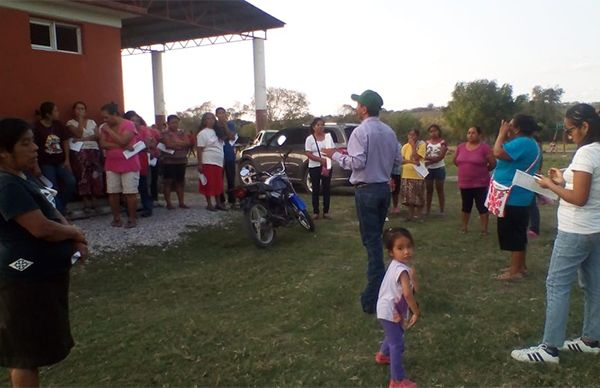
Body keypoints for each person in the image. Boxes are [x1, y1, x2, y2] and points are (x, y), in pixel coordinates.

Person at [0, 118, 88, 388]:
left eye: (33, 141)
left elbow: (52, 211)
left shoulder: (24, 178)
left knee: (33, 350)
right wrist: (75, 234)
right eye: (25, 143)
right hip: (22, 280)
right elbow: (40, 227)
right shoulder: (6, 184)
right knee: (26, 355)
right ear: (3, 152)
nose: (35, 148)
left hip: (41, 280)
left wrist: (73, 235)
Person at [511, 103, 600, 364]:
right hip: (595, 228)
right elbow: (588, 188)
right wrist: (563, 181)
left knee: (557, 284)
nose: (569, 135)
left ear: (585, 126)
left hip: (576, 230)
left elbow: (580, 198)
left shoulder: (585, 154)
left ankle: (549, 349)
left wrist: (550, 185)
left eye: (571, 130)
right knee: (594, 285)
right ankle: (591, 339)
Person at [323, 89, 401, 314]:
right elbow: (397, 160)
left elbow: (356, 163)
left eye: (358, 105)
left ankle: (373, 295)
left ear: (364, 108)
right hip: (383, 188)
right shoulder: (389, 132)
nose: (356, 108)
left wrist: (335, 155)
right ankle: (391, 282)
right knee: (377, 238)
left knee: (372, 243)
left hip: (366, 191)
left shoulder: (360, 132)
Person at [492, 114, 541, 280]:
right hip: (518, 194)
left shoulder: (523, 142)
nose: (508, 127)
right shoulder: (528, 143)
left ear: (518, 128)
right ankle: (520, 266)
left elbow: (497, 152)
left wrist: (500, 134)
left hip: (513, 196)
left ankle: (515, 272)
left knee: (514, 233)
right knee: (518, 231)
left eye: (511, 125)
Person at [375, 227, 419, 388]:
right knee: (397, 344)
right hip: (390, 311)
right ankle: (397, 381)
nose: (406, 251)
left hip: (388, 309)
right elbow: (408, 295)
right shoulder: (401, 271)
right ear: (391, 252)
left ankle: (382, 355)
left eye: (409, 246)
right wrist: (416, 311)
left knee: (395, 334)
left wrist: (414, 277)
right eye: (400, 248)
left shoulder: (397, 265)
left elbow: (415, 289)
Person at [99, 103, 140, 228]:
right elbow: (103, 144)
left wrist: (109, 131)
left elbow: (124, 140)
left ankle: (131, 219)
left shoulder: (129, 124)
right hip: (111, 164)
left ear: (115, 114)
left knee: (130, 192)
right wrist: (122, 145)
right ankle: (116, 218)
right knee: (112, 192)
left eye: (106, 117)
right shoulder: (103, 127)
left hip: (129, 164)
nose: (104, 120)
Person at [33, 102, 76, 216]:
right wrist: (36, 165)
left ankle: (60, 207)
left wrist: (67, 159)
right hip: (46, 163)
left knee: (71, 182)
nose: (58, 112)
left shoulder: (58, 125)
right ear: (48, 114)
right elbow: (33, 147)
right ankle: (60, 213)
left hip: (60, 161)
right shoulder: (36, 127)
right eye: (56, 111)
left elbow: (65, 141)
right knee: (53, 188)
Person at [453, 126, 496, 235]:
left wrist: (483, 171)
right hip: (464, 183)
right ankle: (464, 227)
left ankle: (484, 230)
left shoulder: (484, 148)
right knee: (466, 206)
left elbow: (493, 163)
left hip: (480, 183)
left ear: (479, 135)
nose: (470, 135)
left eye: (473, 133)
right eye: (468, 133)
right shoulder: (460, 147)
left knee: (482, 206)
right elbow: (455, 161)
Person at [66, 101, 103, 214]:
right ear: (74, 110)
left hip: (93, 150)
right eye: (78, 108)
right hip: (80, 151)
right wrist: (81, 120)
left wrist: (83, 139)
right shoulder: (70, 123)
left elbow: (97, 136)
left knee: (95, 175)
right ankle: (86, 201)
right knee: (83, 175)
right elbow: (78, 133)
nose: (80, 111)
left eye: (82, 109)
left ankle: (95, 200)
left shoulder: (92, 122)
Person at [123, 111, 154, 217]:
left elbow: (149, 143)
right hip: (129, 161)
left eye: (137, 120)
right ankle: (131, 210)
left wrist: (146, 144)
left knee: (143, 186)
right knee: (130, 187)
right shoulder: (124, 131)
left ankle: (147, 207)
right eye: (132, 120)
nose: (135, 122)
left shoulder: (144, 130)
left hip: (142, 161)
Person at [304, 117, 335, 219]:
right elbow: (308, 153)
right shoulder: (310, 139)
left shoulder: (328, 137)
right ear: (313, 127)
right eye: (318, 125)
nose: (320, 127)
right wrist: (320, 159)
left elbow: (332, 150)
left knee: (326, 188)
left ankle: (326, 211)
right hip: (315, 166)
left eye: (322, 125)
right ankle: (315, 211)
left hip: (327, 165)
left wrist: (327, 160)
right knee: (315, 189)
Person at [161, 114, 192, 210]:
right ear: (168, 123)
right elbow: (168, 145)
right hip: (169, 161)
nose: (175, 125)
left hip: (181, 160)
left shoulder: (182, 133)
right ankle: (169, 203)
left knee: (180, 182)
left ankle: (181, 202)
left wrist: (176, 143)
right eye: (173, 123)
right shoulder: (165, 133)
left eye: (176, 122)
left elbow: (188, 143)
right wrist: (180, 144)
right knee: (168, 182)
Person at [196, 112, 226, 211]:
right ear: (204, 121)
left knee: (218, 183)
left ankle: (218, 203)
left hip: (218, 161)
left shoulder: (218, 132)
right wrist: (200, 163)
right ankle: (209, 204)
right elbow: (199, 149)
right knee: (208, 183)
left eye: (212, 118)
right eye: (208, 119)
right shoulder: (202, 133)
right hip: (208, 161)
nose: (211, 120)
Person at [400, 129, 427, 222]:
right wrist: (411, 162)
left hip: (417, 175)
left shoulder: (421, 145)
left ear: (417, 136)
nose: (411, 137)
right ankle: (410, 215)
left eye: (413, 135)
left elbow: (416, 157)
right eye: (409, 135)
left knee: (419, 196)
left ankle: (419, 215)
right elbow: (401, 160)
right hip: (406, 175)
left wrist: (413, 146)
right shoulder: (404, 147)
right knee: (409, 197)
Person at [215, 107, 238, 208]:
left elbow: (231, 137)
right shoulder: (214, 126)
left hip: (229, 155)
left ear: (226, 114)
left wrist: (224, 125)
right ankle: (221, 200)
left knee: (231, 178)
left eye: (223, 113)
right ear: (216, 115)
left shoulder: (230, 124)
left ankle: (232, 200)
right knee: (218, 179)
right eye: (219, 113)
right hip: (217, 155)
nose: (221, 115)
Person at [424, 124, 447, 216]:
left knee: (440, 190)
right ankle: (428, 210)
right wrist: (431, 160)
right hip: (429, 170)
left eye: (435, 131)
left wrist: (429, 161)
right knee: (429, 190)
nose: (433, 133)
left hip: (439, 168)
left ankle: (441, 210)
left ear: (439, 131)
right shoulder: (426, 143)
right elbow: (422, 155)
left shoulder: (442, 142)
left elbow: (441, 156)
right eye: (431, 131)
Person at [527, 134, 544, 239]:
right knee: (530, 204)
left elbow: (538, 166)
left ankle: (534, 228)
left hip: (531, 178)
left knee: (532, 204)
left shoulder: (536, 150)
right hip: (529, 178)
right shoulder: (536, 149)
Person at [390, 139, 403, 215]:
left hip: (395, 171)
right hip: (385, 171)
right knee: (386, 190)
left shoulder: (398, 145)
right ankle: (386, 207)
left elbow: (399, 159)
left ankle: (395, 207)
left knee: (395, 190)